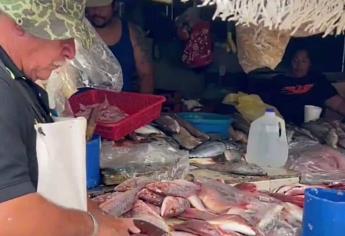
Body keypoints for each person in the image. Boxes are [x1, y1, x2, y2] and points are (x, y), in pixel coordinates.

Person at [0, 1, 139, 235]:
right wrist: (93, 227)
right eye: (62, 36)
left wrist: (101, 217)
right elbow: (11, 217)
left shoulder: (18, 82)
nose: (71, 52)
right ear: (20, 23)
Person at [86, 0, 154, 93]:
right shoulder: (74, 32)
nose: (97, 11)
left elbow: (146, 75)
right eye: (92, 7)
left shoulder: (131, 33)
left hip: (122, 103)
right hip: (82, 103)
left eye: (103, 6)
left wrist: (145, 104)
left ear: (115, 6)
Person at [271, 48, 345, 125]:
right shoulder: (278, 81)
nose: (299, 65)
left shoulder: (317, 80)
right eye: (295, 61)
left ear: (310, 63)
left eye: (304, 61)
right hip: (284, 125)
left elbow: (338, 103)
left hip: (314, 127)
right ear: (290, 62)